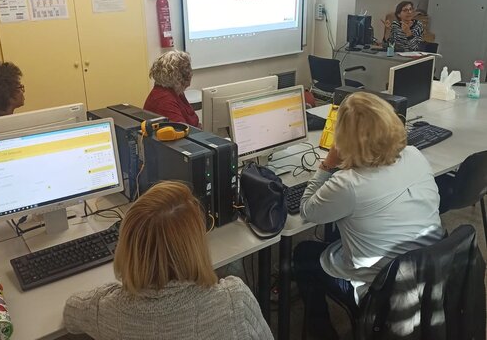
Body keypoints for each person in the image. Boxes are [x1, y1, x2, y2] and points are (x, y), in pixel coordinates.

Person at [293, 92, 444, 339]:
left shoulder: (348, 184)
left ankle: (321, 331)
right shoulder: (414, 154)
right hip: (430, 271)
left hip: (382, 289)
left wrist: (327, 164)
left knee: (303, 253)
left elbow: (307, 210)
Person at [64, 181, 273, 340]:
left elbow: (71, 312)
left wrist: (111, 292)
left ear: (126, 248)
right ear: (195, 245)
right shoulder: (234, 300)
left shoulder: (107, 310)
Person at [143, 50, 200, 126]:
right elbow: (181, 129)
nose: (191, 74)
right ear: (179, 77)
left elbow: (193, 120)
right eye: (188, 70)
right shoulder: (164, 100)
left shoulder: (175, 91)